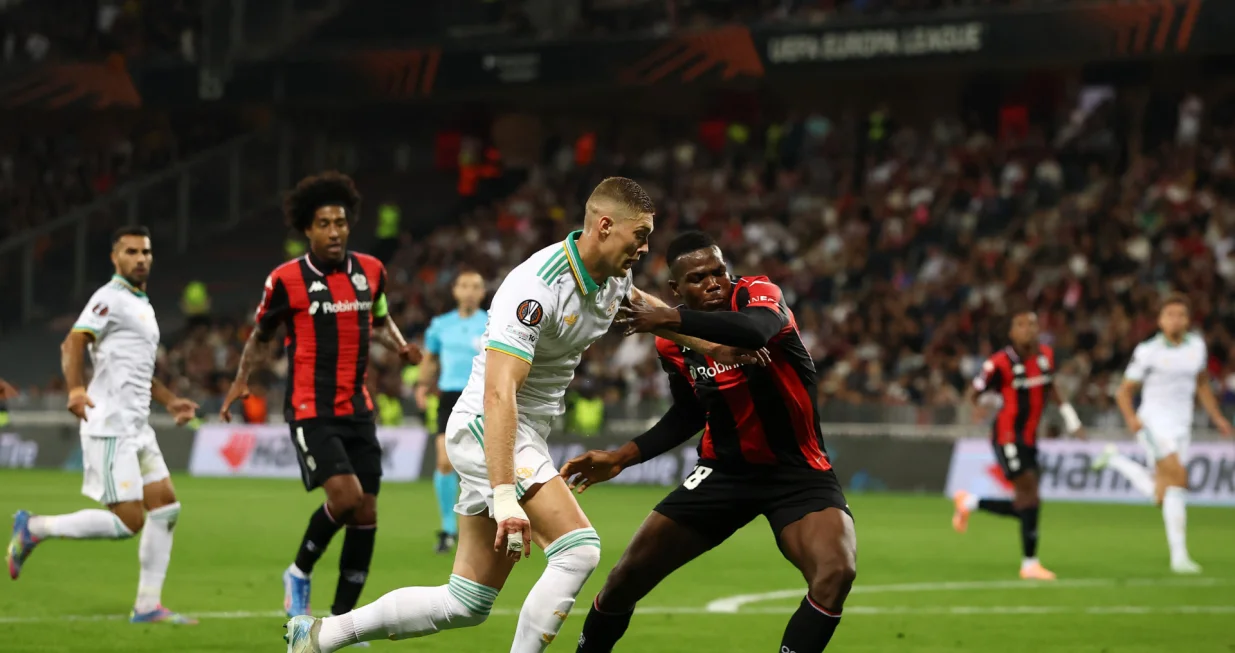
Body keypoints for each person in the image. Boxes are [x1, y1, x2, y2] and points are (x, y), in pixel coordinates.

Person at [282, 177, 762, 653]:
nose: (645, 247)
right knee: (579, 550)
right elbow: (499, 394)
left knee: (465, 602)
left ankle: (321, 634)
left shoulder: (615, 277)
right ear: (605, 226)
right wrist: (504, 492)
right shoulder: (535, 288)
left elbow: (645, 308)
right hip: (487, 427)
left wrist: (716, 347)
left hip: (522, 432)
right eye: (640, 236)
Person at [562, 231, 855, 653]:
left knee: (836, 572)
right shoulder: (672, 344)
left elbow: (755, 331)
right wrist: (622, 457)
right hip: (722, 473)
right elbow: (688, 413)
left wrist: (669, 318)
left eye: (719, 271)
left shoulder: (758, 294)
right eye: (698, 278)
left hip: (798, 473)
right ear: (675, 289)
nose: (715, 282)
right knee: (624, 579)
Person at [219, 172, 421, 628]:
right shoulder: (286, 280)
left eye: (341, 223)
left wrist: (402, 347)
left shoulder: (371, 270)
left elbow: (381, 321)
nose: (334, 231)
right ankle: (298, 571)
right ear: (307, 230)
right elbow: (260, 336)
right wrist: (241, 379)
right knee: (347, 498)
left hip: (358, 408)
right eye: (324, 224)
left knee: (366, 511)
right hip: (312, 410)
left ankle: (343, 623)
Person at [6, 226, 199, 624]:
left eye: (146, 251)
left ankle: (148, 606)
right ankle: (35, 528)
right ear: (115, 258)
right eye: (131, 251)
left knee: (166, 507)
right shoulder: (110, 297)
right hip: (110, 425)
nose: (141, 258)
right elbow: (73, 342)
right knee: (129, 522)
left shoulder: (140, 303)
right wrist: (76, 389)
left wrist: (170, 400)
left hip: (138, 426)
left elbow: (136, 370)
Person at [1093, 293, 1233, 573]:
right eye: (1170, 315)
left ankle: (1116, 460)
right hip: (1153, 424)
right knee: (1177, 479)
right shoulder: (1149, 351)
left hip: (1182, 426)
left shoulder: (1196, 347)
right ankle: (1179, 558)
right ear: (1159, 320)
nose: (1175, 320)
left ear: (1188, 319)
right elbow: (1124, 391)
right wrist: (1132, 418)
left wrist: (1217, 417)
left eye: (1181, 314)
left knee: (1163, 494)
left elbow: (1202, 384)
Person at [952, 310, 1084, 580]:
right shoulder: (998, 363)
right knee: (1030, 495)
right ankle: (1029, 564)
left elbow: (1052, 388)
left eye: (1033, 324)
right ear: (1012, 333)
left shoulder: (1046, 356)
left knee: (1028, 502)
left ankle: (971, 502)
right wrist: (979, 409)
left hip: (1029, 438)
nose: (1028, 329)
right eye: (1021, 325)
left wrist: (1072, 420)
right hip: (1006, 437)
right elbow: (973, 392)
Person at [416, 270, 488, 554]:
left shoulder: (492, 322)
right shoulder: (440, 325)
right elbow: (430, 357)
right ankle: (448, 529)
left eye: (475, 286)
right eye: (464, 285)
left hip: (482, 397)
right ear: (455, 291)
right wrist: (422, 385)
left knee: (483, 465)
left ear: (483, 293)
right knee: (444, 462)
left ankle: (484, 526)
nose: (469, 291)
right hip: (449, 397)